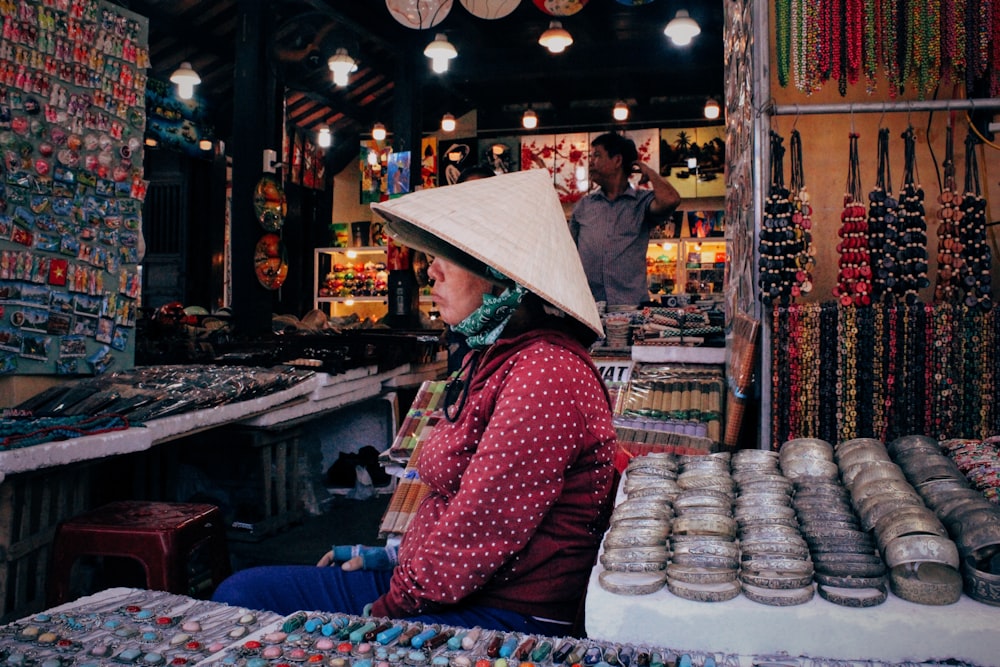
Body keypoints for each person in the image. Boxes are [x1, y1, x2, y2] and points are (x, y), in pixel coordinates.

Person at [212, 170, 617, 636]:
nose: (431, 270)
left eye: (446, 257)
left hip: (505, 613)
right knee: (247, 592)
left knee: (242, 599)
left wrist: (386, 610)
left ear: (501, 279)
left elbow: (482, 529)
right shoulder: (500, 357)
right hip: (459, 588)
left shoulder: (545, 374)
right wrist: (394, 555)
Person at [570, 132, 681, 308]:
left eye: (597, 155)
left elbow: (671, 200)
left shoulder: (641, 202)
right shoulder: (584, 206)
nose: (591, 162)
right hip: (589, 308)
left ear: (617, 160)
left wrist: (648, 171)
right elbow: (569, 254)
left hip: (632, 308)